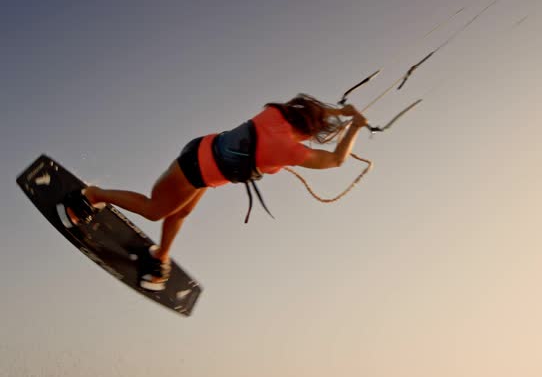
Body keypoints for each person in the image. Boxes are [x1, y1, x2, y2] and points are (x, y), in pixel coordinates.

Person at [59, 94, 368, 291]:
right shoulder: (288, 149)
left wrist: (341, 110)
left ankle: (161, 254)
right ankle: (93, 195)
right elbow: (337, 160)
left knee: (181, 211)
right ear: (309, 129)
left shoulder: (276, 114)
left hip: (203, 160)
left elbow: (310, 111)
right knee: (155, 210)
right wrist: (355, 126)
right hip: (196, 169)